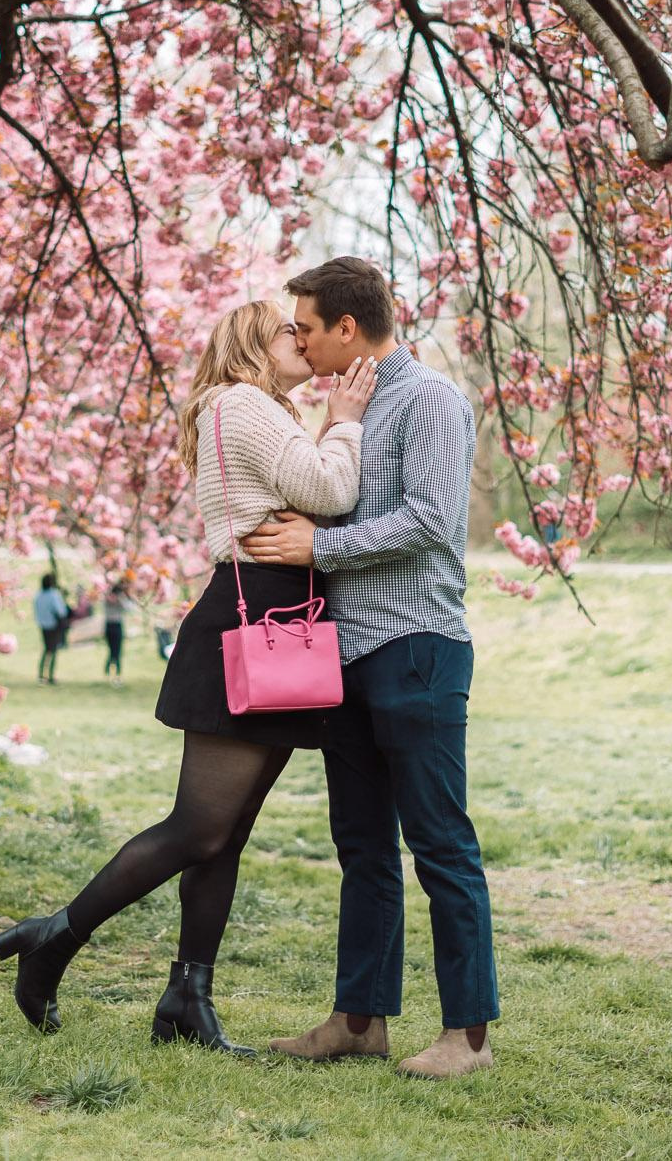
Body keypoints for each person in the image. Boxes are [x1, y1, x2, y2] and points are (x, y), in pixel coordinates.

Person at [0, 300, 378, 1052]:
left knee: (227, 833)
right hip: (251, 619)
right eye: (287, 332)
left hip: (281, 622)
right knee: (198, 825)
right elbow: (331, 493)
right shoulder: (242, 403)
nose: (301, 341)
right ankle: (55, 938)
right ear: (251, 345)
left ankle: (186, 996)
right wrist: (346, 419)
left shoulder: (263, 409)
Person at [243, 256, 499, 1080]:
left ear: (347, 328)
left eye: (308, 328)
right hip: (346, 652)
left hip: (417, 644)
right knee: (360, 843)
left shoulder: (430, 400)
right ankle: (359, 1020)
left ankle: (469, 1037)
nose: (301, 342)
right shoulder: (348, 406)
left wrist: (323, 544)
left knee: (439, 843)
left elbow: (429, 519)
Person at [33, 574, 70, 685]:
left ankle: (41, 674)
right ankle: (50, 675)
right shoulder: (54, 594)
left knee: (46, 649)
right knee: (53, 651)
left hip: (43, 625)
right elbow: (61, 611)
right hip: (53, 625)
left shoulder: (38, 595)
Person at [102, 581, 130, 685]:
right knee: (114, 650)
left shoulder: (119, 600)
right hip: (112, 625)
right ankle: (115, 674)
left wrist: (120, 599)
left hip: (113, 625)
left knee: (115, 651)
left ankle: (110, 671)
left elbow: (128, 608)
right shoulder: (107, 599)